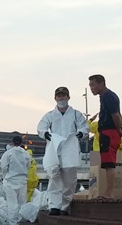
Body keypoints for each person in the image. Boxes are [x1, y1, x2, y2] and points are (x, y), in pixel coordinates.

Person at [38, 86, 89, 215]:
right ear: (55, 98)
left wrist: (81, 134)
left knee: (69, 180)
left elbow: (85, 128)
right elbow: (41, 127)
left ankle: (65, 206)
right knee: (54, 177)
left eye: (64, 96)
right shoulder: (49, 115)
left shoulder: (76, 114)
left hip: (70, 150)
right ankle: (54, 206)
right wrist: (45, 134)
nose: (61, 98)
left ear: (68, 97)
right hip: (54, 150)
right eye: (59, 96)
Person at [88, 74, 122, 199]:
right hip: (109, 132)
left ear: (101, 83)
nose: (91, 88)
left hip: (109, 132)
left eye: (93, 85)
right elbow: (118, 114)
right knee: (107, 163)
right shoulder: (106, 96)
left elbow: (116, 115)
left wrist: (119, 129)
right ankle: (108, 192)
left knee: (109, 164)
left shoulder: (108, 96)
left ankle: (109, 192)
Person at [0, 137, 31, 206]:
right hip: (22, 181)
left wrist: (5, 176)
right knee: (22, 203)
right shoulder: (26, 154)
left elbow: (3, 167)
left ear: (12, 142)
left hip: (11, 181)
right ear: (21, 143)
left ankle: (13, 217)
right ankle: (22, 216)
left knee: (12, 204)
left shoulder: (8, 153)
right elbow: (28, 166)